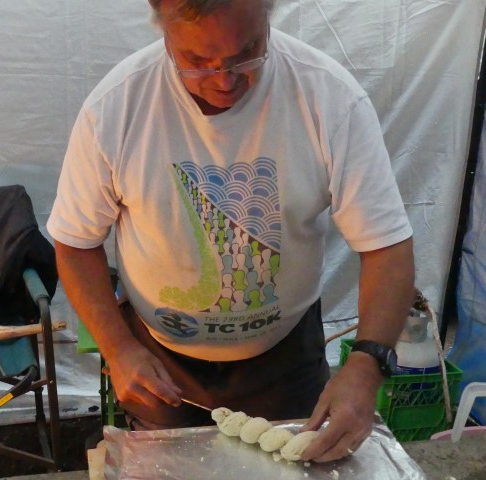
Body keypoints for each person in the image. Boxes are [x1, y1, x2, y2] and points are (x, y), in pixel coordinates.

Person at [47, 0, 415, 463]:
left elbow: (385, 245)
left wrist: (366, 365)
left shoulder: (329, 98)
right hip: (161, 363)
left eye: (248, 53)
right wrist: (118, 349)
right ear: (162, 28)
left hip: (285, 357)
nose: (224, 80)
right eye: (198, 60)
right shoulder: (116, 107)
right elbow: (75, 243)